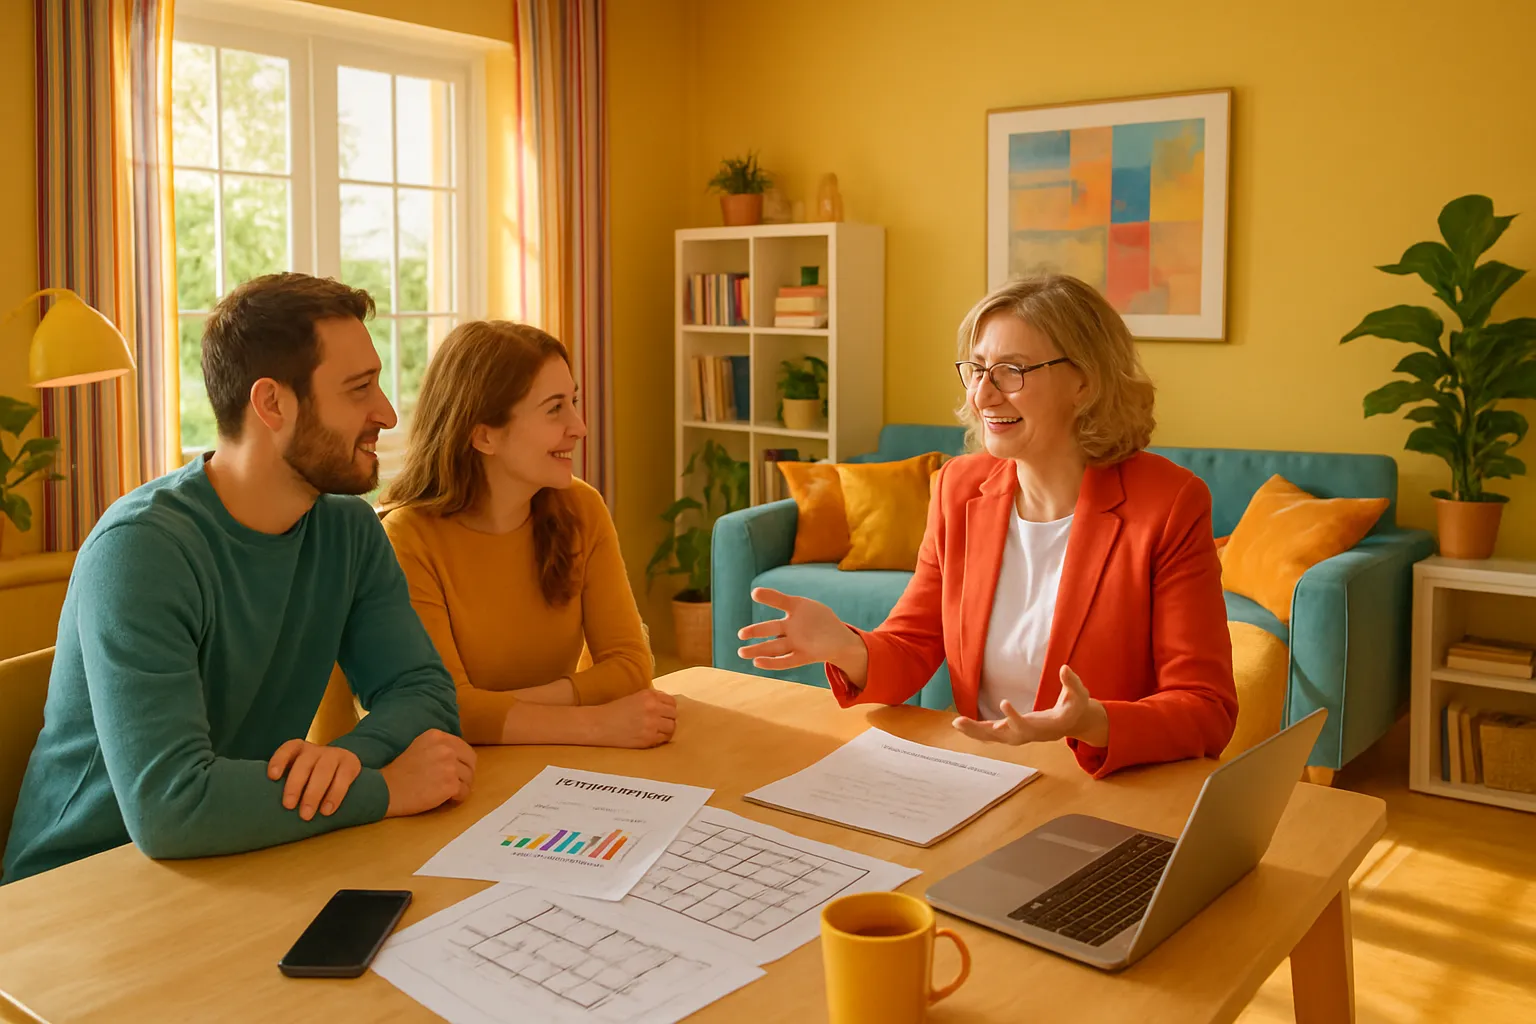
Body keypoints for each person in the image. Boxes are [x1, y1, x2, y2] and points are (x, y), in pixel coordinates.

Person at [2, 273, 474, 885]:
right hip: (76, 892)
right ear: (272, 404)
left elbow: (426, 694)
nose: (386, 412)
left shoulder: (348, 530)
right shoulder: (141, 551)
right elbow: (171, 807)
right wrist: (382, 788)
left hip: (243, 854)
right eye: (359, 390)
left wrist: (344, 763)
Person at [738, 275, 1238, 777]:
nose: (983, 395)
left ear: (1085, 381)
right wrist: (844, 645)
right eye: (977, 370)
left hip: (1102, 789)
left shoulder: (1169, 504)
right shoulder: (959, 487)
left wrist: (1094, 722)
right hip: (981, 777)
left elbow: (1206, 709)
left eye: (1011, 371)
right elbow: (912, 645)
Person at [380, 320, 674, 748]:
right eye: (555, 408)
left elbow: (630, 667)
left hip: (548, 762)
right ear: (483, 435)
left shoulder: (581, 507)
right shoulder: (406, 538)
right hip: (451, 773)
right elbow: (441, 711)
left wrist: (495, 709)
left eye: (572, 402)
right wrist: (595, 723)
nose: (579, 427)